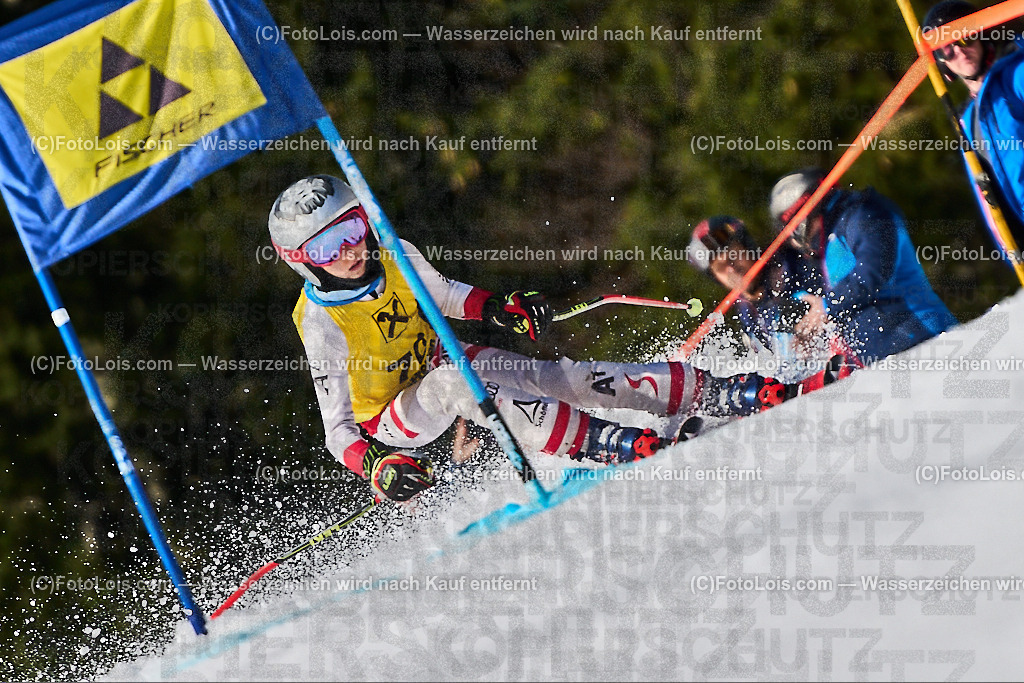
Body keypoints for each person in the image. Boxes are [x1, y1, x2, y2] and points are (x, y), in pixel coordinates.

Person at [268, 175, 803, 503]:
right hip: (392, 414)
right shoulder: (320, 322)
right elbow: (336, 430)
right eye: (326, 247)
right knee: (457, 382)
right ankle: (598, 441)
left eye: (352, 228)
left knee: (554, 376)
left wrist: (500, 307)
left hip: (441, 361)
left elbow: (448, 296)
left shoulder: (394, 250)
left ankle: (708, 390)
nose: (348, 250)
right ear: (302, 264)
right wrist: (377, 465)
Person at [768, 168, 958, 364]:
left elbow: (873, 272)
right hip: (885, 362)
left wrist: (826, 306)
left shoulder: (864, 213)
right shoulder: (829, 241)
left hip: (926, 342)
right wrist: (812, 331)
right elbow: (839, 301)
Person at [922, 0, 1024, 255]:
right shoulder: (967, 121)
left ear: (982, 36)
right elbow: (985, 193)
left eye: (964, 38)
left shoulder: (1016, 74)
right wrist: (1009, 248)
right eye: (947, 47)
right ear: (942, 62)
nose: (959, 49)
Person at [687, 215, 824, 358]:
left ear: (747, 247)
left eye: (733, 257)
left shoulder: (795, 265)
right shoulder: (746, 313)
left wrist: (824, 308)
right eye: (721, 267)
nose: (732, 270)